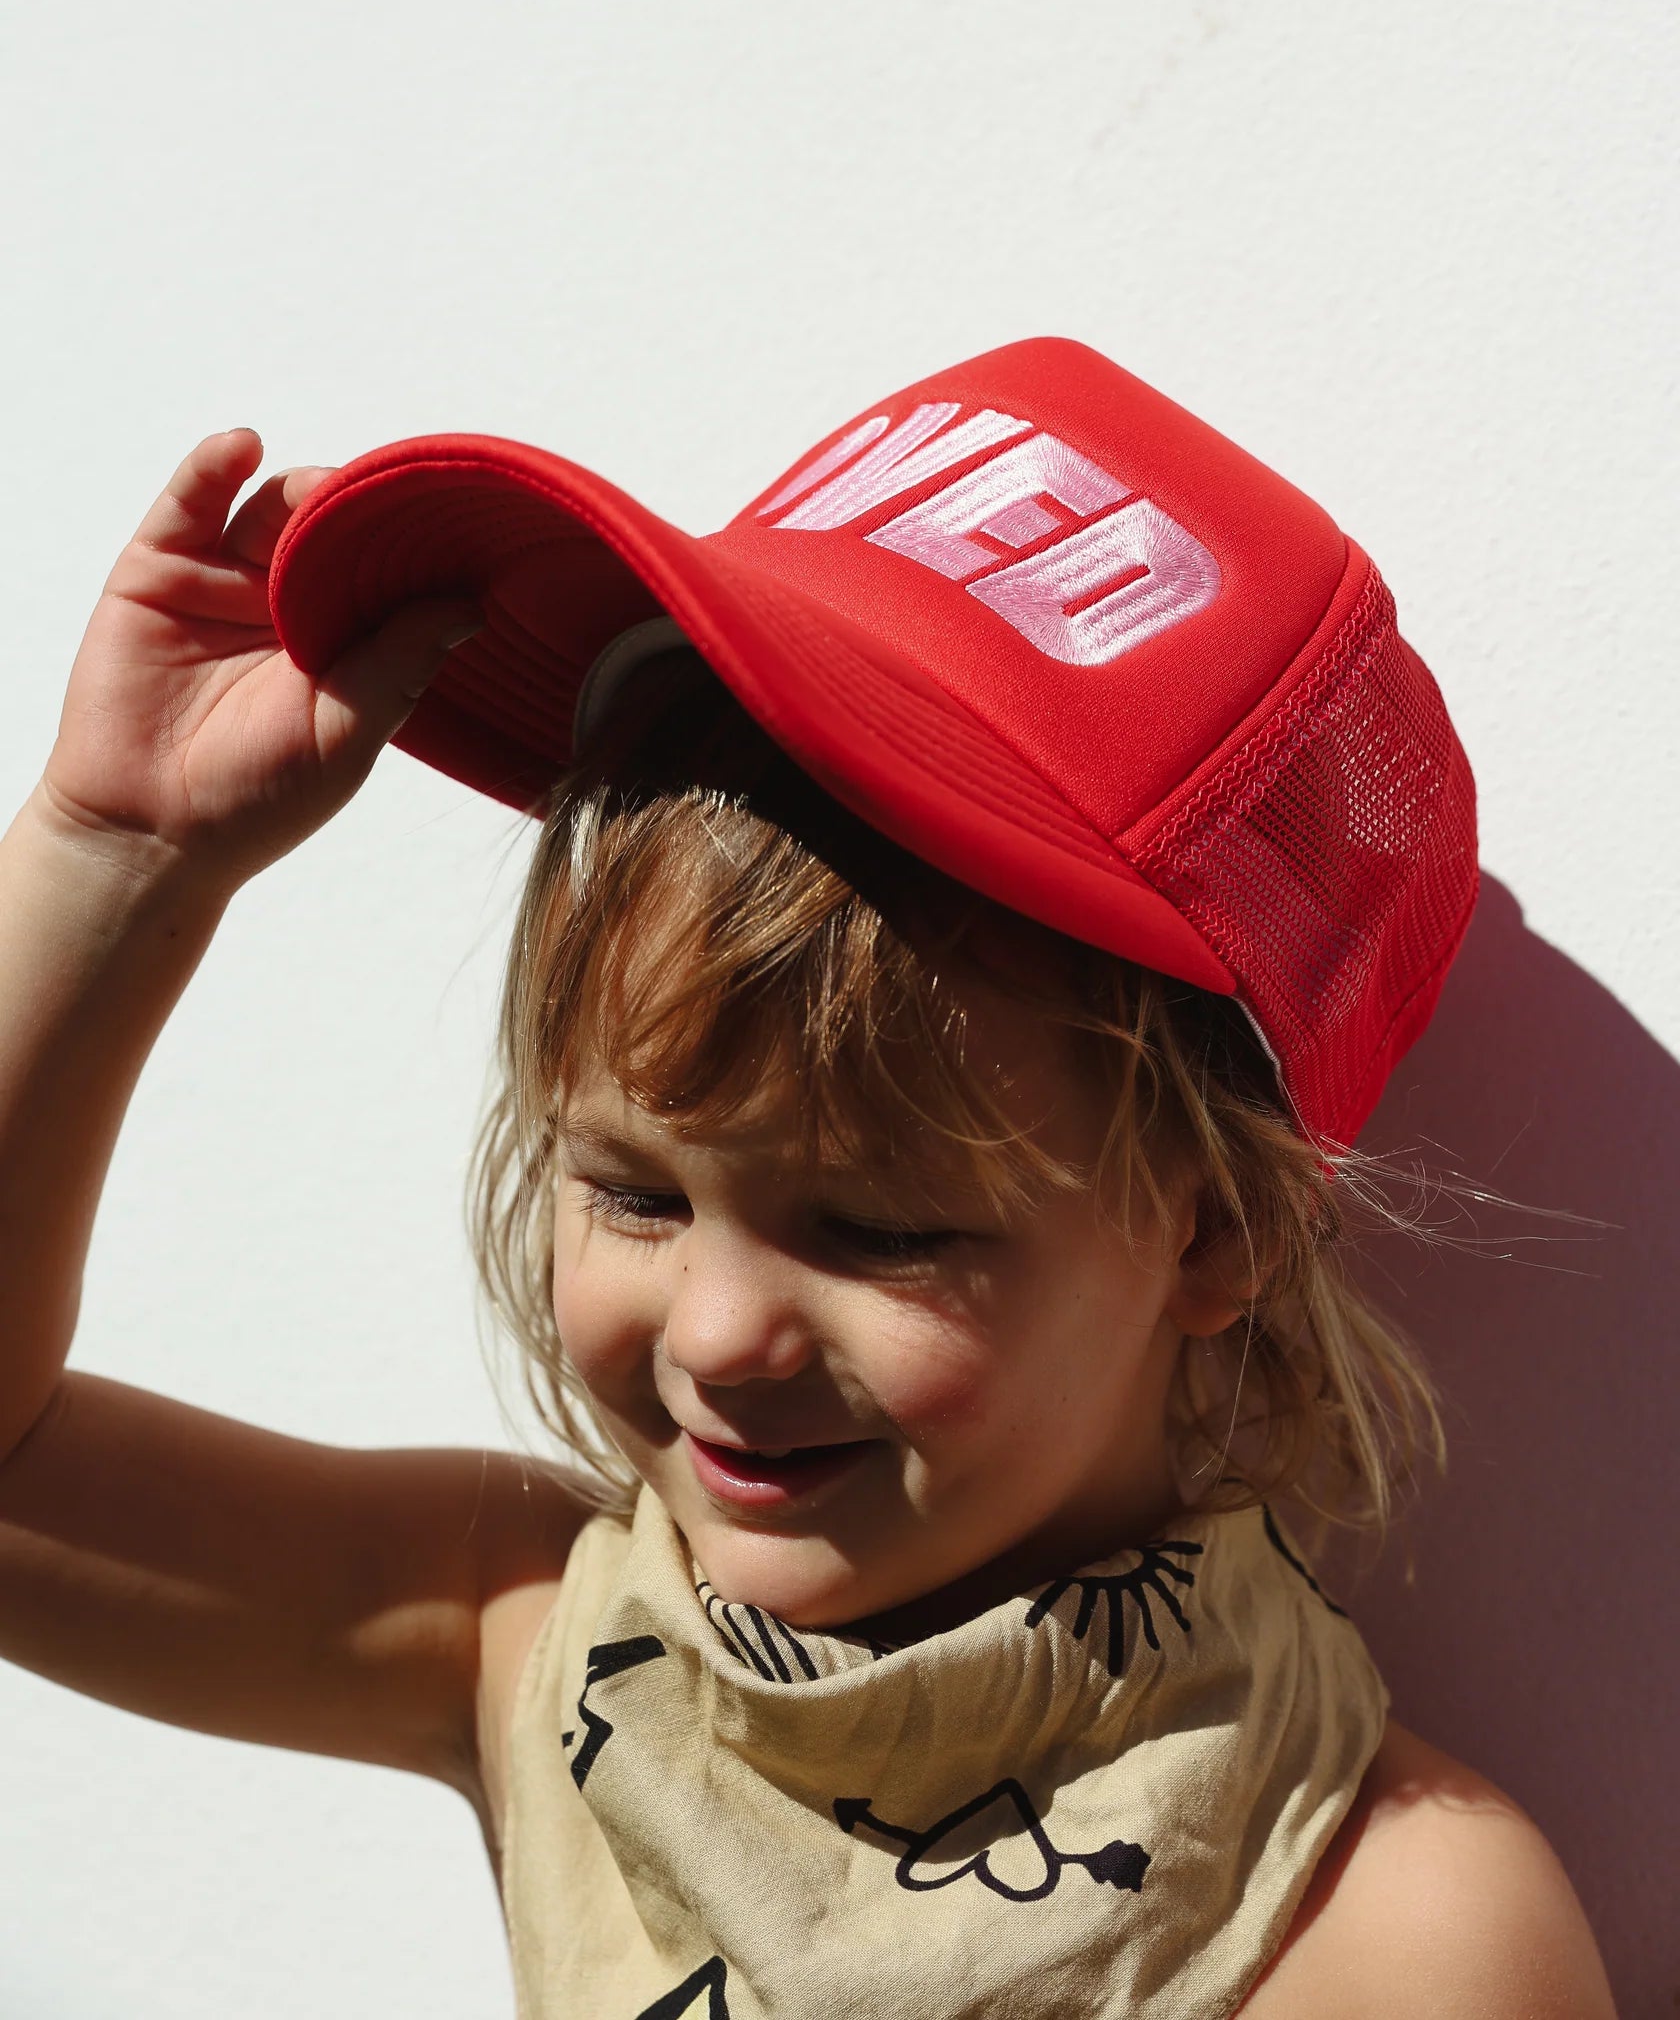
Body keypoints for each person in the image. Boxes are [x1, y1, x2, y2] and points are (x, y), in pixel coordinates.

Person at [0, 340, 1614, 2017]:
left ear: (1215, 1223)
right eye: (631, 1191)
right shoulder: (537, 1634)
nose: (716, 1336)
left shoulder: (1395, 1933)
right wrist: (113, 860)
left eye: (880, 1229)